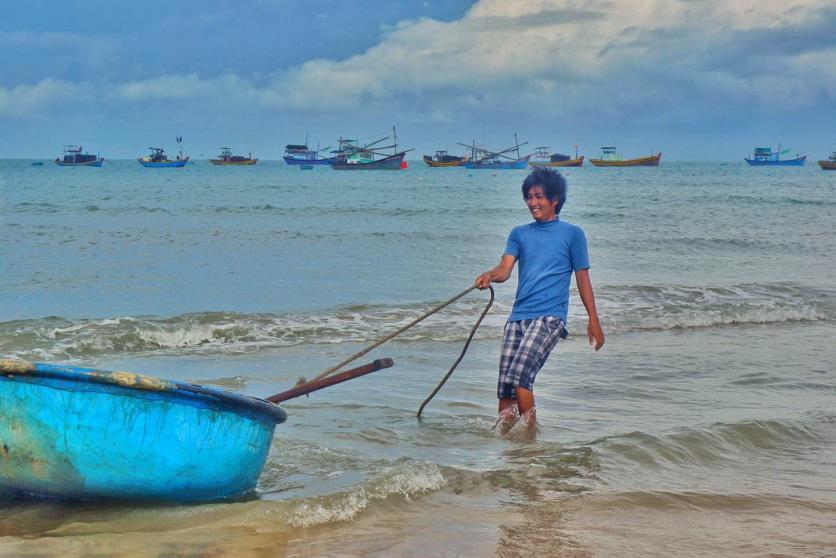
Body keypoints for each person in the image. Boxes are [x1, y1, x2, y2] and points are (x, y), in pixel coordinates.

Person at [475, 167, 604, 430]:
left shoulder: (573, 234)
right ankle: (508, 450)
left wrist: (594, 319)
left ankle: (530, 440)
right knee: (506, 387)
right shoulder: (519, 233)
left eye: (539, 196)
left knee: (522, 375)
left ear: (554, 199)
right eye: (529, 197)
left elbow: (582, 279)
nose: (533, 203)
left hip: (550, 317)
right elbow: (505, 269)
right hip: (518, 318)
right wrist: (489, 274)